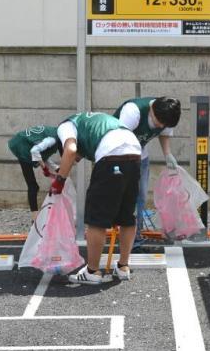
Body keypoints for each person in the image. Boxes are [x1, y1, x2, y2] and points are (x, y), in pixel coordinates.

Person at [48, 112, 141, 285]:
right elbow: (79, 153)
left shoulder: (65, 126)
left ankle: (92, 271)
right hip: (134, 153)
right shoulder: (91, 121)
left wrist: (59, 182)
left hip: (111, 155)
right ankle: (123, 267)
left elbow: (71, 151)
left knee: (96, 219)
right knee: (126, 216)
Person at [113, 96, 181, 252]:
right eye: (160, 122)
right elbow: (119, 139)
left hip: (141, 157)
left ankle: (135, 239)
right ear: (152, 111)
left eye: (165, 124)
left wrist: (167, 154)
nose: (162, 126)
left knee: (140, 198)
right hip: (118, 155)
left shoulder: (166, 115)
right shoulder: (133, 111)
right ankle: (120, 236)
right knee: (123, 198)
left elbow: (164, 133)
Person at [7, 125, 61, 219]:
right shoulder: (53, 139)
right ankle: (35, 218)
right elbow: (34, 151)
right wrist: (44, 168)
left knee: (33, 186)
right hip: (22, 148)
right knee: (33, 185)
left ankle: (35, 217)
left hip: (21, 144)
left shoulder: (55, 133)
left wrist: (55, 168)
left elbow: (43, 154)